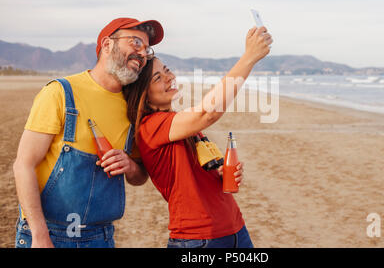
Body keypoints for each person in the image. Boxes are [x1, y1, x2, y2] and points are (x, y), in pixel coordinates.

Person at [12, 17, 164, 248]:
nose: (142, 53)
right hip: (48, 234)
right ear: (107, 45)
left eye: (146, 48)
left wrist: (130, 165)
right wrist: (40, 235)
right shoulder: (61, 92)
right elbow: (23, 165)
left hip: (100, 237)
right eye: (135, 43)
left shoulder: (132, 108)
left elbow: (139, 176)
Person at [123, 25, 273, 248]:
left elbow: (196, 171)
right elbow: (207, 113)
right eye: (157, 77)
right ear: (145, 97)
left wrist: (221, 174)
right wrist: (249, 58)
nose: (169, 77)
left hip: (235, 228)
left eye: (166, 70)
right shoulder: (150, 126)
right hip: (198, 239)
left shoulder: (177, 121)